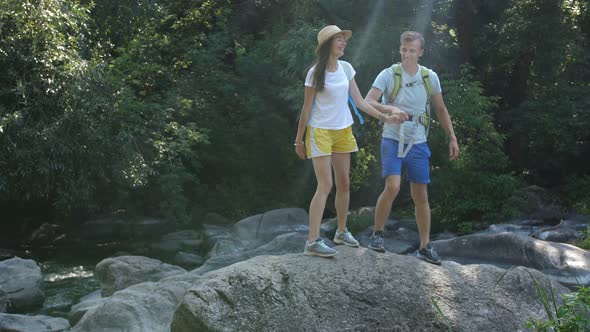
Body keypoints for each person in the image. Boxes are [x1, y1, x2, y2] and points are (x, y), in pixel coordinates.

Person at [294, 25, 405, 257]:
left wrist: (385, 117)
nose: (344, 42)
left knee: (344, 183)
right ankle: (312, 241)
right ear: (328, 45)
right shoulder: (315, 73)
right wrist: (299, 141)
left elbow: (361, 102)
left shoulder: (346, 68)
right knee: (325, 185)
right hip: (320, 131)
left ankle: (341, 232)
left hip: (343, 130)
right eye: (338, 39)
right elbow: (306, 109)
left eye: (344, 39)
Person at [365, 31, 459, 264]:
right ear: (400, 49)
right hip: (393, 138)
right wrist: (391, 110)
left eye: (412, 51)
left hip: (418, 140)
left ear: (420, 52)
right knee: (393, 186)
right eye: (404, 50)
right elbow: (369, 101)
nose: (407, 54)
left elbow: (440, 109)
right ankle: (377, 234)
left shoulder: (429, 77)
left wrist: (452, 137)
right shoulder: (389, 74)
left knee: (421, 195)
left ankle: (425, 246)